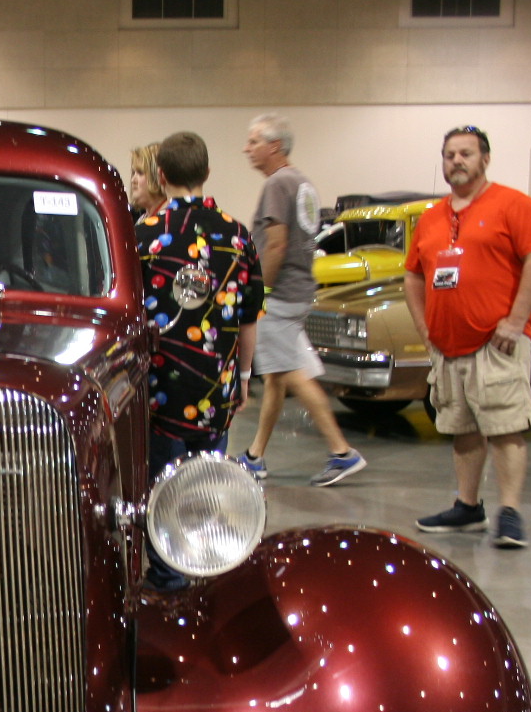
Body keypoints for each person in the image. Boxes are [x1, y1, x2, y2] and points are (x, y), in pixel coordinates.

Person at [404, 125, 531, 548]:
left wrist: (515, 318)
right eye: (450, 154)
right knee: (462, 427)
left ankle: (510, 512)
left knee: (504, 425)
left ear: (485, 159)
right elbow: (413, 275)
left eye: (466, 153)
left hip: (497, 342)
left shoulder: (513, 205)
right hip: (448, 346)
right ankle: (468, 507)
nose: (457, 161)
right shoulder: (432, 217)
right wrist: (424, 327)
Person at [137, 131, 263, 590]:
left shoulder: (144, 236)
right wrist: (245, 376)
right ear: (207, 174)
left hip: (160, 391)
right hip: (216, 385)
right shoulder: (237, 234)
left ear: (161, 176)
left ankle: (167, 576)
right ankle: (201, 565)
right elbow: (249, 317)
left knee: (162, 484)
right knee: (206, 482)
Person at [238, 114, 366, 487]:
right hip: (298, 291)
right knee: (278, 375)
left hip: (279, 295)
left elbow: (276, 244)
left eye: (253, 142)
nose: (247, 149)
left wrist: (259, 292)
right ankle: (256, 455)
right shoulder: (303, 183)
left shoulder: (278, 184)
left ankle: (342, 452)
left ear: (274, 146)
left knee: (293, 372)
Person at [128, 143, 167, 218]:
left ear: (158, 175)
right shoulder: (141, 219)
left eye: (140, 172)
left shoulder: (169, 219)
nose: (133, 180)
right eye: (133, 173)